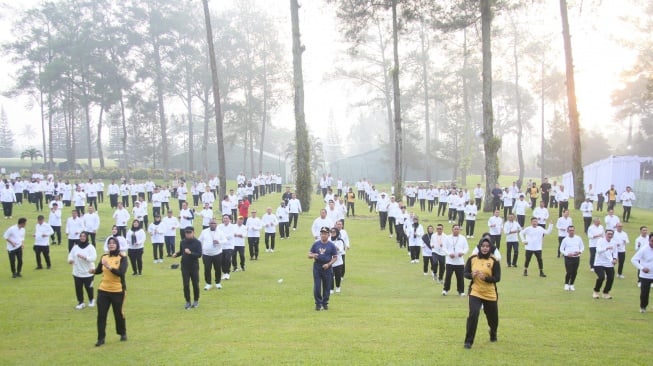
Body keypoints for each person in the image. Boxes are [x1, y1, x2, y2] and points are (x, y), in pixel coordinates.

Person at [463, 238, 501, 349]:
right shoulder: (472, 258)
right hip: (475, 291)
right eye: (483, 246)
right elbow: (465, 273)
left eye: (487, 246)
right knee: (473, 314)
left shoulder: (494, 260)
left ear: (490, 248)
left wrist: (486, 278)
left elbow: (497, 278)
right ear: (479, 247)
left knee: (493, 319)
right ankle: (468, 341)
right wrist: (472, 275)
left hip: (490, 293)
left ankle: (493, 332)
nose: (485, 248)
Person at [91, 237, 128, 346]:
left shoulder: (122, 257)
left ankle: (122, 332)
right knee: (101, 315)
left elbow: (121, 273)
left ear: (117, 245)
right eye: (109, 243)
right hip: (103, 290)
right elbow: (99, 270)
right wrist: (93, 271)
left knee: (118, 313)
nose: (111, 245)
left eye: (113, 243)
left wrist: (109, 266)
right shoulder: (104, 257)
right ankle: (101, 338)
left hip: (118, 290)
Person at [307, 226, 338, 311]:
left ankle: (325, 303)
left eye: (325, 234)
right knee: (317, 286)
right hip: (317, 267)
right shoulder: (316, 244)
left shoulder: (331, 245)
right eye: (322, 234)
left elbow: (335, 257)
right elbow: (309, 255)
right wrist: (313, 255)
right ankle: (318, 303)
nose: (323, 235)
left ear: (328, 235)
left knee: (327, 286)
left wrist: (328, 264)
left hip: (327, 268)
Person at [173, 227, 202, 309]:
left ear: (193, 233)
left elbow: (199, 255)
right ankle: (188, 301)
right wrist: (176, 254)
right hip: (185, 266)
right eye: (186, 233)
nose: (188, 234)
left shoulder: (197, 243)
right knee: (186, 284)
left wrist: (190, 253)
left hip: (194, 266)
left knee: (195, 284)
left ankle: (196, 300)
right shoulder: (183, 242)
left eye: (190, 233)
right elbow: (182, 252)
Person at [68, 232, 97, 309]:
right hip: (77, 272)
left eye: (84, 236)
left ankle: (91, 300)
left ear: (87, 237)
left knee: (89, 287)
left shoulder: (91, 247)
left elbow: (93, 258)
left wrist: (85, 257)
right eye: (81, 236)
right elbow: (70, 255)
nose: (82, 238)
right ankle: (81, 302)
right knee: (78, 288)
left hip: (88, 272)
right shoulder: (75, 247)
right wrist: (70, 260)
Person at [199, 219, 226, 290]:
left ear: (216, 224)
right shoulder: (204, 232)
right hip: (206, 254)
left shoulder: (220, 232)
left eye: (214, 223)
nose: (213, 224)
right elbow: (199, 241)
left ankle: (218, 283)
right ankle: (208, 283)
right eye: (211, 223)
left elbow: (225, 240)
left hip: (217, 254)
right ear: (209, 224)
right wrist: (201, 250)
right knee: (207, 269)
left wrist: (219, 241)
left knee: (217, 269)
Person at [442, 225, 469, 296]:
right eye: (455, 229)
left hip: (459, 262)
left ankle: (461, 291)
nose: (456, 230)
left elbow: (466, 248)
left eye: (458, 229)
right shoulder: (447, 238)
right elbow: (444, 248)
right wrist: (449, 254)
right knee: (448, 276)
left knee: (460, 277)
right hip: (450, 261)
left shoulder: (463, 238)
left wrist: (462, 253)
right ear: (452, 229)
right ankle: (445, 290)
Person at [631, 234, 653, 313]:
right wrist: (642, 268)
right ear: (649, 240)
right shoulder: (644, 249)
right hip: (645, 276)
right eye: (652, 241)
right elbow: (633, 260)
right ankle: (643, 307)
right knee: (645, 293)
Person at [593, 230, 618, 299]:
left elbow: (615, 252)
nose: (610, 235)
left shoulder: (614, 242)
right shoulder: (600, 241)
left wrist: (615, 259)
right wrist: (606, 248)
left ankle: (606, 293)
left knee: (611, 278)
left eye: (611, 234)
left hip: (609, 263)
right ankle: (596, 291)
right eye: (608, 234)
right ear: (605, 234)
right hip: (599, 263)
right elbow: (598, 251)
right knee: (601, 277)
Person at [559, 226, 584, 291]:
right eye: (570, 230)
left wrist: (579, 252)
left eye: (573, 230)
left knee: (575, 272)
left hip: (576, 257)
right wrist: (567, 254)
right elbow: (561, 249)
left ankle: (572, 284)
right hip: (568, 258)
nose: (571, 232)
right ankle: (566, 284)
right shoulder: (565, 239)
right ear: (567, 231)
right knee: (569, 271)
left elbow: (582, 247)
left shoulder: (578, 238)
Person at [330, 227, 346, 294]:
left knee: (337, 276)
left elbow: (341, 251)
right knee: (330, 275)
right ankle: (331, 288)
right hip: (330, 261)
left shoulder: (340, 241)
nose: (332, 233)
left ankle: (338, 287)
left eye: (334, 232)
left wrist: (336, 248)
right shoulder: (328, 240)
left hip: (338, 262)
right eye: (331, 232)